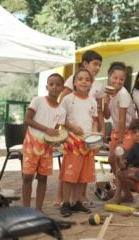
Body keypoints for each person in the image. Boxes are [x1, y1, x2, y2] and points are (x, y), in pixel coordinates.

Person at [55, 50, 105, 207]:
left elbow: (97, 115)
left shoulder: (95, 93)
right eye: (94, 64)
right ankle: (63, 200)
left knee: (84, 171)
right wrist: (67, 127)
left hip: (89, 139)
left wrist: (98, 131)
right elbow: (61, 111)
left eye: (99, 65)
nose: (84, 82)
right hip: (72, 139)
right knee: (70, 171)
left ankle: (78, 200)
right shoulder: (70, 90)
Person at [22, 73, 66, 212]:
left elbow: (56, 130)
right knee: (28, 176)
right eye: (51, 84)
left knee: (42, 178)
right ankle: (26, 210)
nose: (54, 87)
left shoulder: (61, 110)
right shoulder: (38, 100)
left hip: (46, 147)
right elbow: (27, 119)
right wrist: (46, 129)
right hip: (32, 143)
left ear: (62, 88)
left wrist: (56, 141)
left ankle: (38, 210)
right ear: (47, 86)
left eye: (58, 84)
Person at [59, 68, 99, 217]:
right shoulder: (67, 99)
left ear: (91, 84)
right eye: (80, 79)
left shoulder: (92, 101)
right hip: (72, 142)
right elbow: (61, 120)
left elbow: (94, 121)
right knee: (70, 175)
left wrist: (95, 135)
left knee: (83, 176)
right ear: (74, 82)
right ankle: (65, 203)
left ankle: (76, 202)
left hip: (88, 142)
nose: (84, 82)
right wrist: (72, 128)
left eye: (87, 80)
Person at [103, 62, 136, 202]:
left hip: (127, 131)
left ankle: (118, 195)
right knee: (111, 159)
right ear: (110, 77)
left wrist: (121, 141)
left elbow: (122, 120)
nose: (117, 81)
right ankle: (127, 193)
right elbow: (106, 115)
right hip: (117, 131)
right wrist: (104, 102)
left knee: (118, 159)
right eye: (115, 78)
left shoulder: (123, 94)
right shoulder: (108, 93)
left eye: (121, 79)